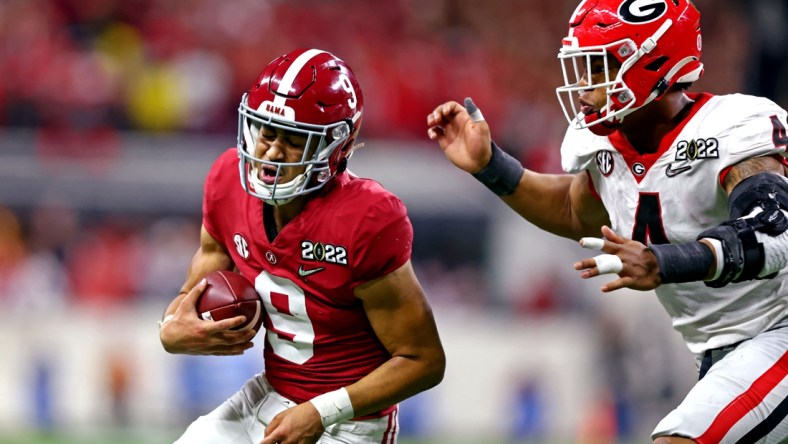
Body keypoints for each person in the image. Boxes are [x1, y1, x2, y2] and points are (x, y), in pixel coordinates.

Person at [427, 0, 788, 442]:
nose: (583, 84)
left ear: (652, 63)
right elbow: (574, 210)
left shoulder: (731, 127)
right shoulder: (605, 145)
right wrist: (491, 166)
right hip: (720, 348)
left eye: (598, 66)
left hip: (776, 331)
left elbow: (773, 229)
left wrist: (664, 261)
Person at [160, 48, 446, 444]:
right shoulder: (228, 180)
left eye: (295, 140)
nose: (273, 152)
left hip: (350, 423)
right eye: (267, 132)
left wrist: (321, 411)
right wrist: (171, 328)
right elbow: (193, 288)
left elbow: (424, 361)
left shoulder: (367, 218)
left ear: (336, 146)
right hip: (270, 397)